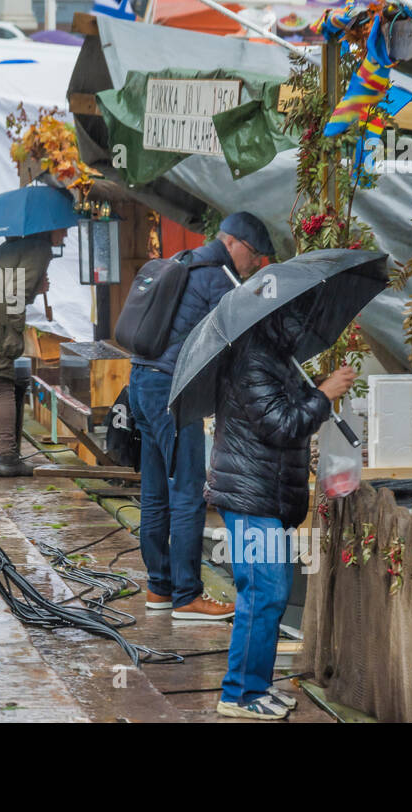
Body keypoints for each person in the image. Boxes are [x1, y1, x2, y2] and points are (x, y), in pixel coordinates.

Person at [207, 295, 356, 720]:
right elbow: (282, 424)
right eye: (300, 320)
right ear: (280, 320)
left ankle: (256, 686)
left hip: (266, 494)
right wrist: (323, 395)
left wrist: (317, 390)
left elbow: (288, 411)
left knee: (270, 593)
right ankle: (238, 694)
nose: (306, 329)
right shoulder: (254, 360)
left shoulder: (276, 356)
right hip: (252, 496)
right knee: (262, 593)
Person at [127, 211, 275, 623]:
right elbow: (235, 344)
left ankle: (160, 587)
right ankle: (188, 596)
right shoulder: (218, 279)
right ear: (234, 244)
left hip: (140, 380)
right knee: (189, 491)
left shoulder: (184, 260)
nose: (257, 264)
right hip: (172, 394)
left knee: (156, 491)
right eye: (255, 255)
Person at [0, 229, 63, 477]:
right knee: (2, 384)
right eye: (63, 231)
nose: (64, 236)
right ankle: (8, 457)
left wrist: (36, 290)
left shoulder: (15, 246)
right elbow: (16, 293)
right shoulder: (39, 249)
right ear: (50, 230)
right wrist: (14, 330)